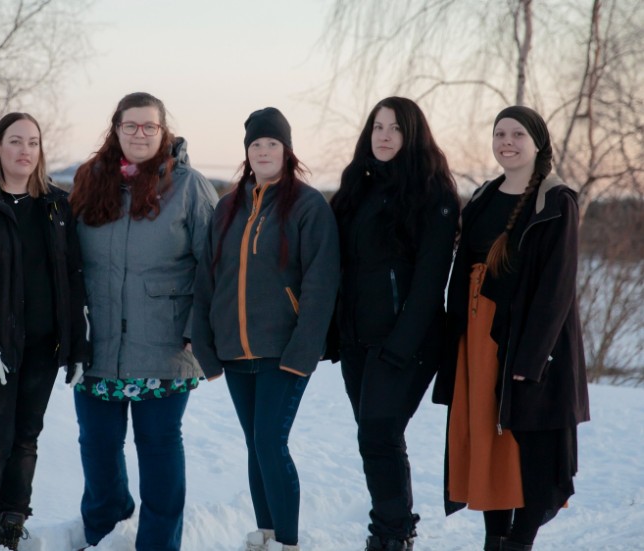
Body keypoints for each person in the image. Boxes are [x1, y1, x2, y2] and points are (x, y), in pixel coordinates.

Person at [433, 106, 590, 551]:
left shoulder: (557, 201)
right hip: (477, 343)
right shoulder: (482, 197)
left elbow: (557, 286)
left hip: (526, 346)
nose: (507, 141)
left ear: (537, 142)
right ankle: (495, 540)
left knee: (531, 451)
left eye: (517, 134)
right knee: (489, 446)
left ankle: (519, 542)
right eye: (500, 133)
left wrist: (531, 357)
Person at [69, 92, 217, 551]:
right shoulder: (90, 180)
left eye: (149, 127)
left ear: (163, 131)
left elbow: (215, 266)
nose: (139, 134)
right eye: (130, 126)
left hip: (166, 342)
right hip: (99, 344)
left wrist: (198, 330)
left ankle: (157, 542)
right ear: (115, 129)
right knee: (97, 446)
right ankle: (103, 533)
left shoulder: (188, 186)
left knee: (158, 447)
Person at [192, 107, 340, 551]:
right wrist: (204, 343)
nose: (263, 151)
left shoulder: (308, 205)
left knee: (270, 443)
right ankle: (268, 533)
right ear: (247, 153)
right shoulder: (227, 207)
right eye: (256, 144)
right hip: (236, 350)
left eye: (271, 143)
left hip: (283, 349)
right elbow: (205, 279)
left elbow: (321, 281)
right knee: (256, 446)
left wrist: (304, 350)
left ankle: (289, 542)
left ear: (287, 150)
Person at [0, 112, 89, 551]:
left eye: (33, 142)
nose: (25, 150)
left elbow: (72, 276)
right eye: (15, 141)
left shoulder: (55, 205)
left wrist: (77, 344)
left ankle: (12, 516)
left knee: (27, 435)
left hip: (43, 346)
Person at [328, 97, 460, 551]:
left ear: (413, 135)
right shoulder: (355, 188)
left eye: (395, 128)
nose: (383, 136)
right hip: (357, 340)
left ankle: (391, 534)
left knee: (379, 432)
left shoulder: (433, 193)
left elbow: (430, 280)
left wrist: (402, 343)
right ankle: (393, 527)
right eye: (377, 127)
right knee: (375, 437)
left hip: (408, 339)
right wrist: (336, 333)